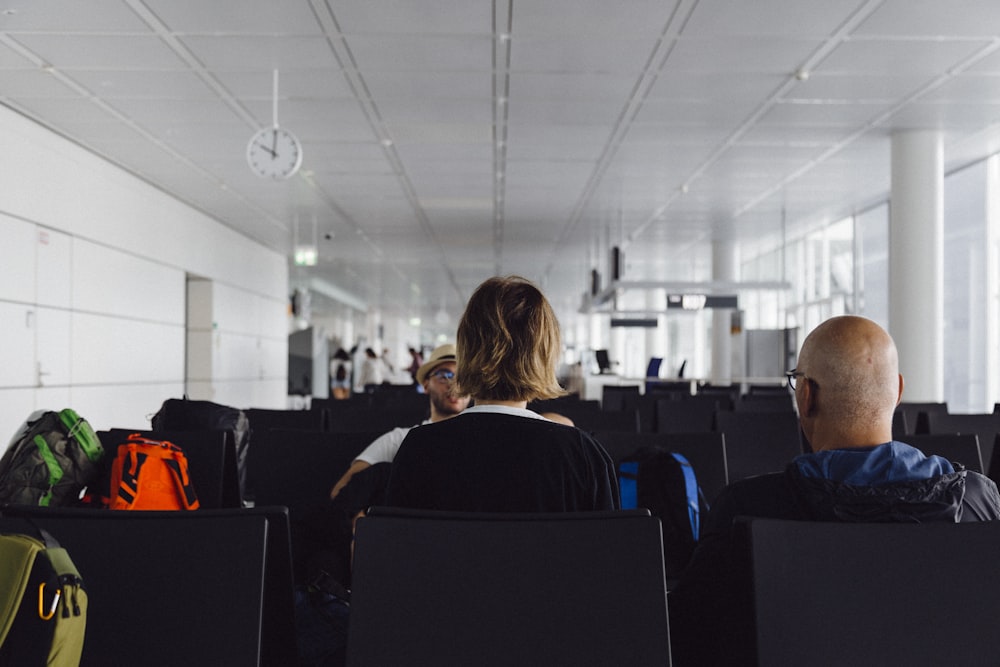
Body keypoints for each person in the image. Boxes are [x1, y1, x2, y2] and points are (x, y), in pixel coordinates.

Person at [668, 315, 1000, 666]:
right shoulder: (977, 499)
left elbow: (689, 638)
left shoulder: (747, 508)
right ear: (898, 392)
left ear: (806, 395)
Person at [383, 275, 619, 512]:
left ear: (466, 350)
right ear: (546, 355)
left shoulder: (419, 448)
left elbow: (397, 545)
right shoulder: (583, 457)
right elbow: (606, 548)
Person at [329, 343, 469, 499]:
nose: (454, 385)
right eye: (444, 376)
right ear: (426, 385)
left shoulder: (478, 443)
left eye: (462, 378)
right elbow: (341, 490)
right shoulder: (400, 439)